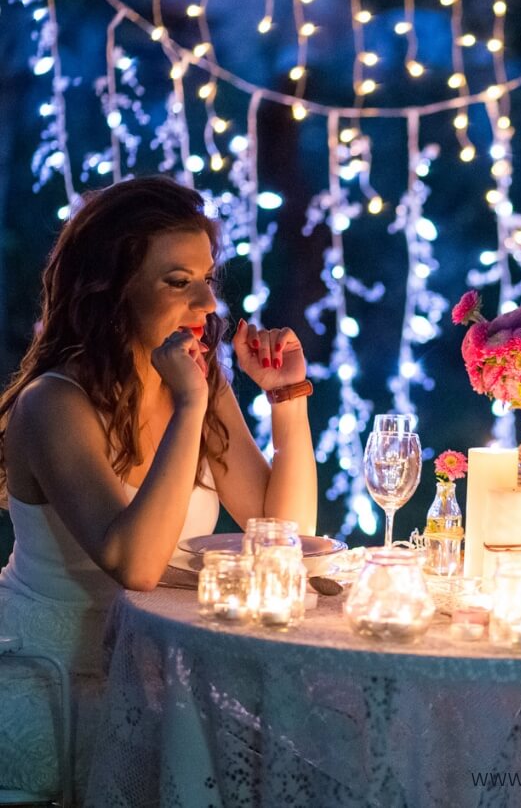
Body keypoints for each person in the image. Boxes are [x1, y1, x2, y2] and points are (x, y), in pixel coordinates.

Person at [0, 175, 317, 797]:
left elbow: (285, 538)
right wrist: (192, 403)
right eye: (179, 282)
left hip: (156, 680)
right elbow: (136, 565)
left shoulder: (199, 382)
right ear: (112, 289)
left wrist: (286, 397)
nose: (207, 304)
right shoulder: (53, 404)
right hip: (57, 689)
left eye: (208, 280)